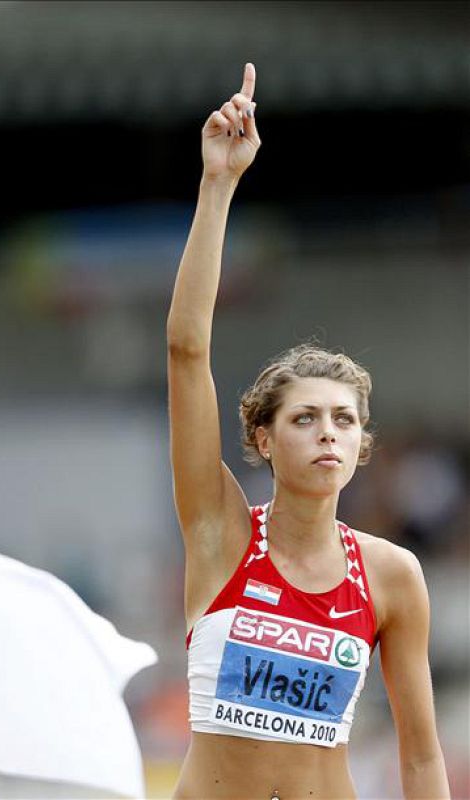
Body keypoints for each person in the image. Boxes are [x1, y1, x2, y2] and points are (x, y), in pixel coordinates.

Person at [166, 62, 450, 800]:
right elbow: (187, 350)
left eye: (344, 421)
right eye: (304, 418)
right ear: (262, 439)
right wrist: (219, 184)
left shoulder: (391, 576)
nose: (329, 434)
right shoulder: (218, 534)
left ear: (362, 445)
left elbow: (421, 761)